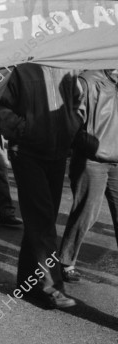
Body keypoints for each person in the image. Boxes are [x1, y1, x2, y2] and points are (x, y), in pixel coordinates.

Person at [0, 63, 83, 309]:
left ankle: (26, 285)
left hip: (57, 152)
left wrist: (69, 130)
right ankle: (51, 287)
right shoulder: (19, 66)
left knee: (42, 220)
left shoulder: (65, 62)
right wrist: (24, 130)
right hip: (27, 152)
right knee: (42, 221)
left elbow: (77, 104)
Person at [58, 69, 118, 283]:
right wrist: (84, 145)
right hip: (92, 160)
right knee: (86, 213)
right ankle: (66, 261)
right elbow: (71, 119)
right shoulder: (89, 81)